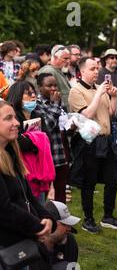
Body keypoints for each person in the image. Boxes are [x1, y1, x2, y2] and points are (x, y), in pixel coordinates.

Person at [0, 101, 55, 270]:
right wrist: (37, 226)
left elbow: (27, 195)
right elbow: (4, 208)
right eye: (8, 118)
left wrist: (46, 216)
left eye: (15, 117)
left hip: (18, 243)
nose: (16, 123)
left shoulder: (10, 154)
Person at [68, 56, 117, 233]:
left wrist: (113, 97)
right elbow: (86, 115)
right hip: (89, 141)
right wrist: (99, 93)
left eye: (97, 69)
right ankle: (88, 219)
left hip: (106, 140)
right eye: (92, 69)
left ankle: (108, 216)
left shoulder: (99, 89)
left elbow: (110, 113)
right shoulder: (76, 91)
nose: (96, 72)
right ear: (82, 71)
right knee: (89, 181)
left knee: (112, 179)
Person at [29, 200, 80, 270]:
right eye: (64, 224)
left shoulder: (70, 242)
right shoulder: (31, 250)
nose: (69, 228)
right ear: (50, 224)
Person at [36, 73, 70, 204]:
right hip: (46, 155)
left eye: (55, 85)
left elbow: (62, 125)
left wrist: (71, 127)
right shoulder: (37, 105)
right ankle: (44, 219)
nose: (53, 88)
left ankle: (61, 221)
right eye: (49, 85)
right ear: (39, 87)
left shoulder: (58, 103)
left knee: (61, 190)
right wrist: (55, 105)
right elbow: (47, 126)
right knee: (43, 191)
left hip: (60, 153)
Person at [38, 45, 71, 109]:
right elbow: (46, 98)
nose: (68, 61)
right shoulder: (48, 71)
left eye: (69, 58)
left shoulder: (58, 70)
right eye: (65, 58)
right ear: (55, 57)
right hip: (55, 113)